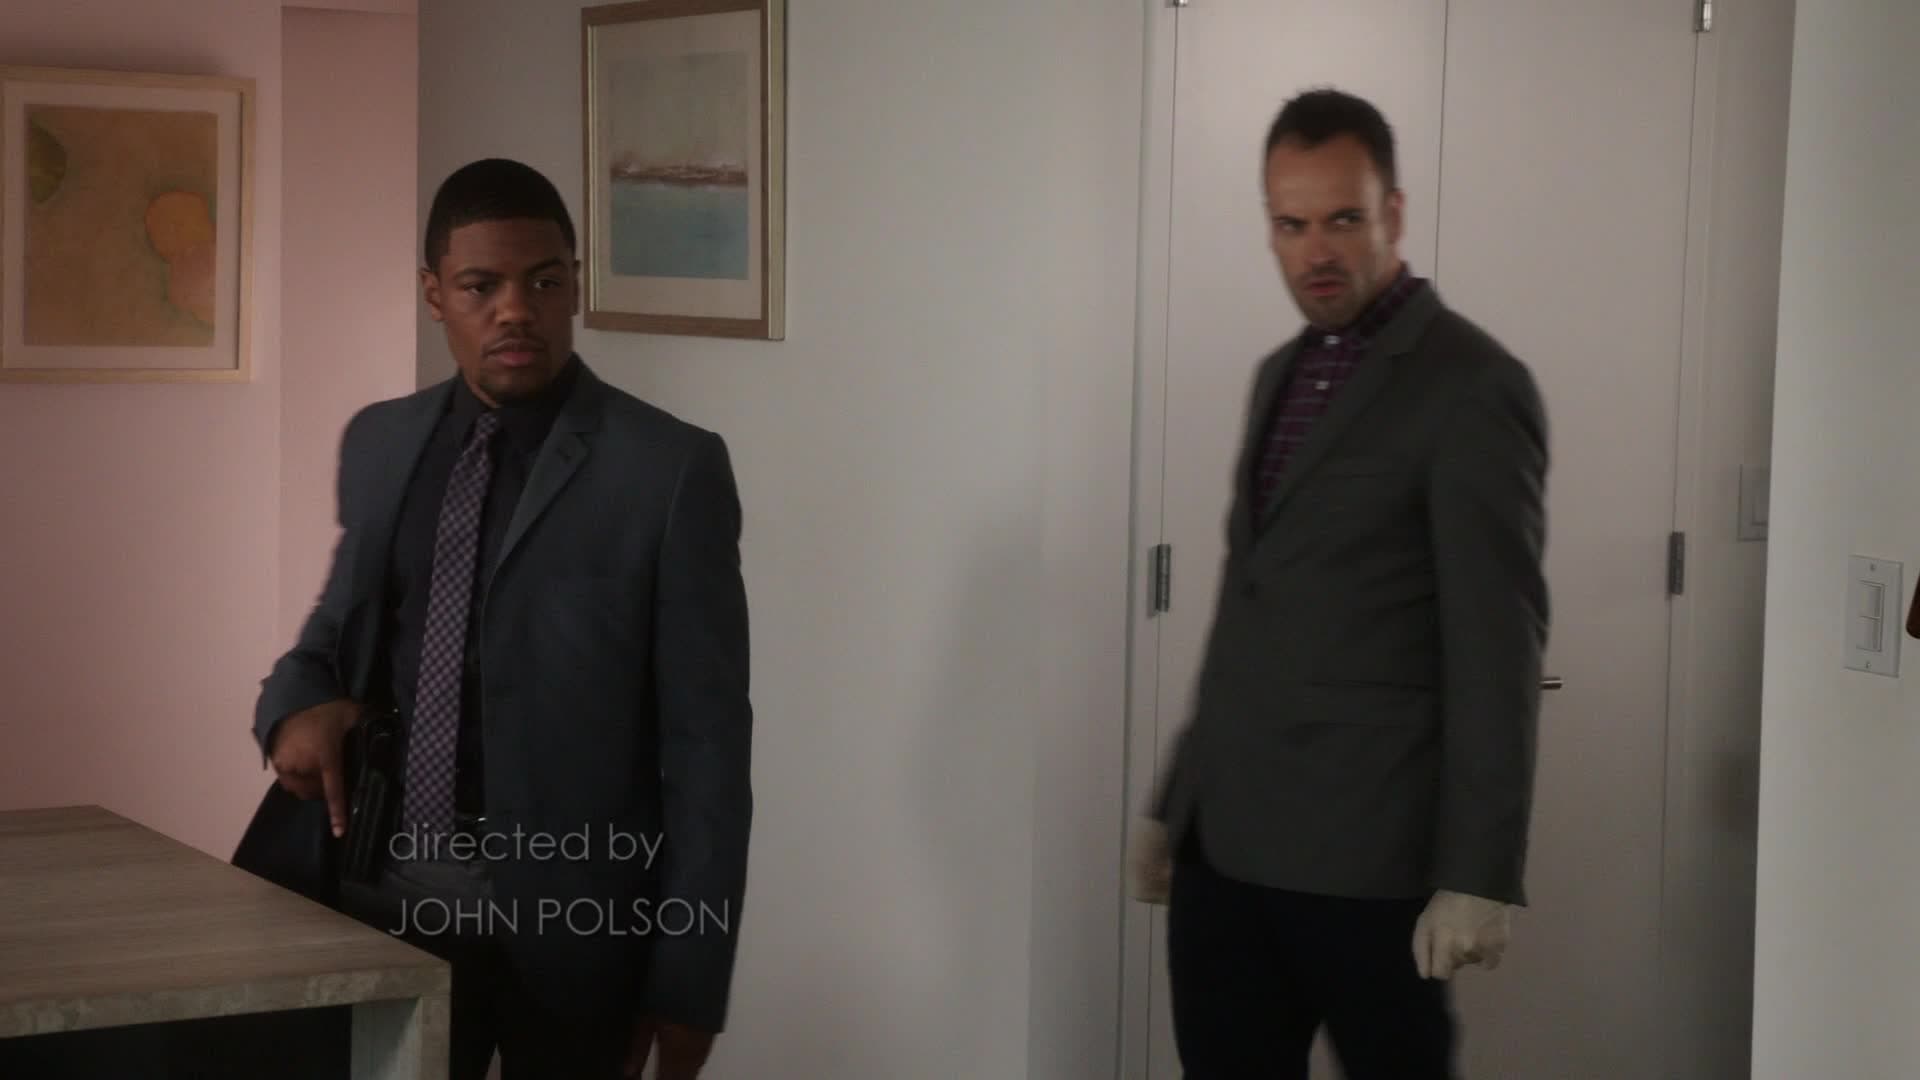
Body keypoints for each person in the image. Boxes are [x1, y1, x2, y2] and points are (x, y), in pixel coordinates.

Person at [253, 157, 753, 1080]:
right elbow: (332, 632)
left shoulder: (668, 470)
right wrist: (293, 708)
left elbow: (708, 747)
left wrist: (691, 975)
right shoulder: (382, 441)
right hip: (380, 898)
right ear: (434, 295)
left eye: (544, 282)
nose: (516, 310)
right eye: (482, 286)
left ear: (575, 287)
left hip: (577, 925)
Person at [1129, 89, 1550, 1079]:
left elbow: (1498, 646)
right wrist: (1177, 799)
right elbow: (1249, 607)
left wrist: (1480, 873)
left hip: (1369, 869)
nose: (1316, 250)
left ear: (1393, 213)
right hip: (1225, 855)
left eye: (1343, 219)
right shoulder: (1278, 373)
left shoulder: (1473, 384)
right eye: (1292, 225)